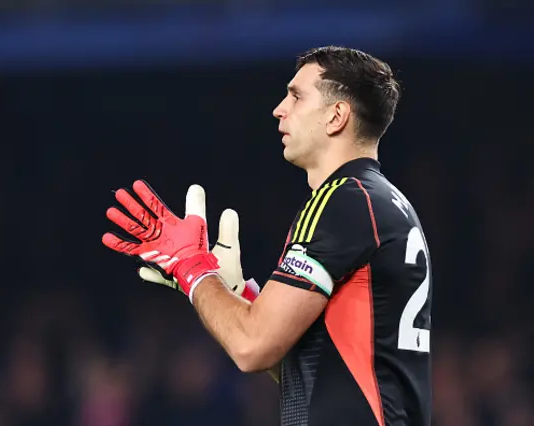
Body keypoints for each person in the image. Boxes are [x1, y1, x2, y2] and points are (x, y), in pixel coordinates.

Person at [103, 46, 432, 426]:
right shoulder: (383, 202)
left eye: (296, 96)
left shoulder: (342, 202)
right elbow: (312, 366)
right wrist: (235, 293)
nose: (279, 108)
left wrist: (191, 267)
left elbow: (252, 347)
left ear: (336, 116)